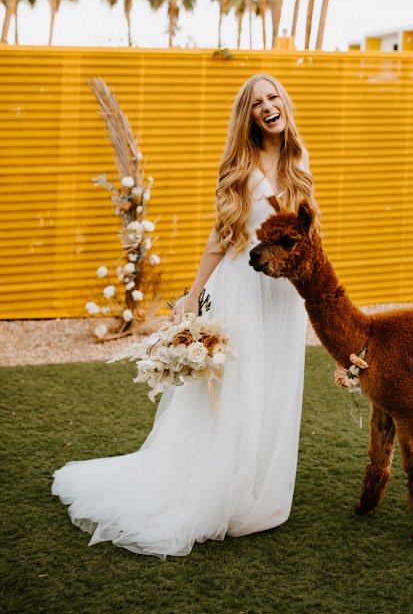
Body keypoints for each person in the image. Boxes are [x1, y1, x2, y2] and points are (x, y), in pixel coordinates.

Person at [52, 74, 316, 558]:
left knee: (273, 385)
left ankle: (258, 490)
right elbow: (221, 235)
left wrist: (315, 297)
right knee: (237, 388)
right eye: (257, 103)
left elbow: (307, 239)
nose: (268, 106)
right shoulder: (238, 165)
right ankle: (220, 491)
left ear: (284, 103)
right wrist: (193, 295)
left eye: (273, 96)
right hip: (241, 287)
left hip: (282, 296)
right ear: (248, 116)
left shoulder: (300, 164)